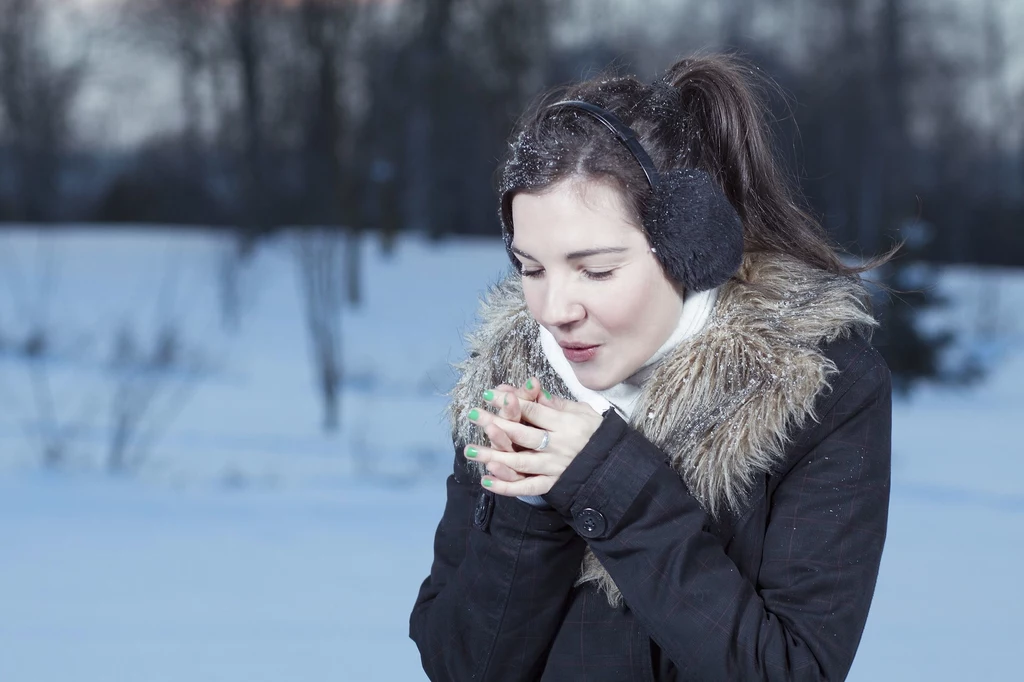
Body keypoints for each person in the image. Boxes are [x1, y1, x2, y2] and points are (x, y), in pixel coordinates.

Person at [409, 53, 892, 681]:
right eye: (530, 269)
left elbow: (789, 671)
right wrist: (529, 508)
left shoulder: (817, 391)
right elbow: (461, 668)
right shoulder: (508, 386)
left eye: (597, 270)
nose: (554, 309)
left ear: (693, 245)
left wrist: (607, 480)